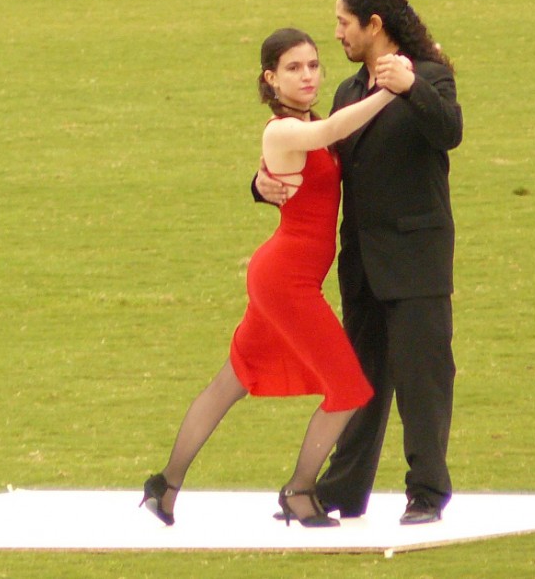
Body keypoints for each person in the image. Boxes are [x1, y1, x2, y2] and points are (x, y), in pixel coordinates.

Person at [141, 28, 409, 528]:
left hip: (283, 276)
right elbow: (325, 137)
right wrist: (389, 91)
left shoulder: (311, 121)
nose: (307, 75)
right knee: (349, 388)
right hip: (286, 281)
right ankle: (299, 492)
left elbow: (320, 145)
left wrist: (260, 185)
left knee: (233, 380)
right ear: (271, 78)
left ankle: (164, 487)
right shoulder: (282, 130)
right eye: (293, 68)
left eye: (313, 65)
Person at [255, 0, 463, 525]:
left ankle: (426, 493)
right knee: (360, 376)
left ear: (375, 25)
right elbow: (315, 157)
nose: (339, 34)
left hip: (416, 256)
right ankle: (344, 491)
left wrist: (413, 85)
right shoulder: (349, 93)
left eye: (345, 23)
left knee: (423, 376)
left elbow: (449, 132)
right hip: (363, 260)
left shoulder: (433, 76)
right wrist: (261, 183)